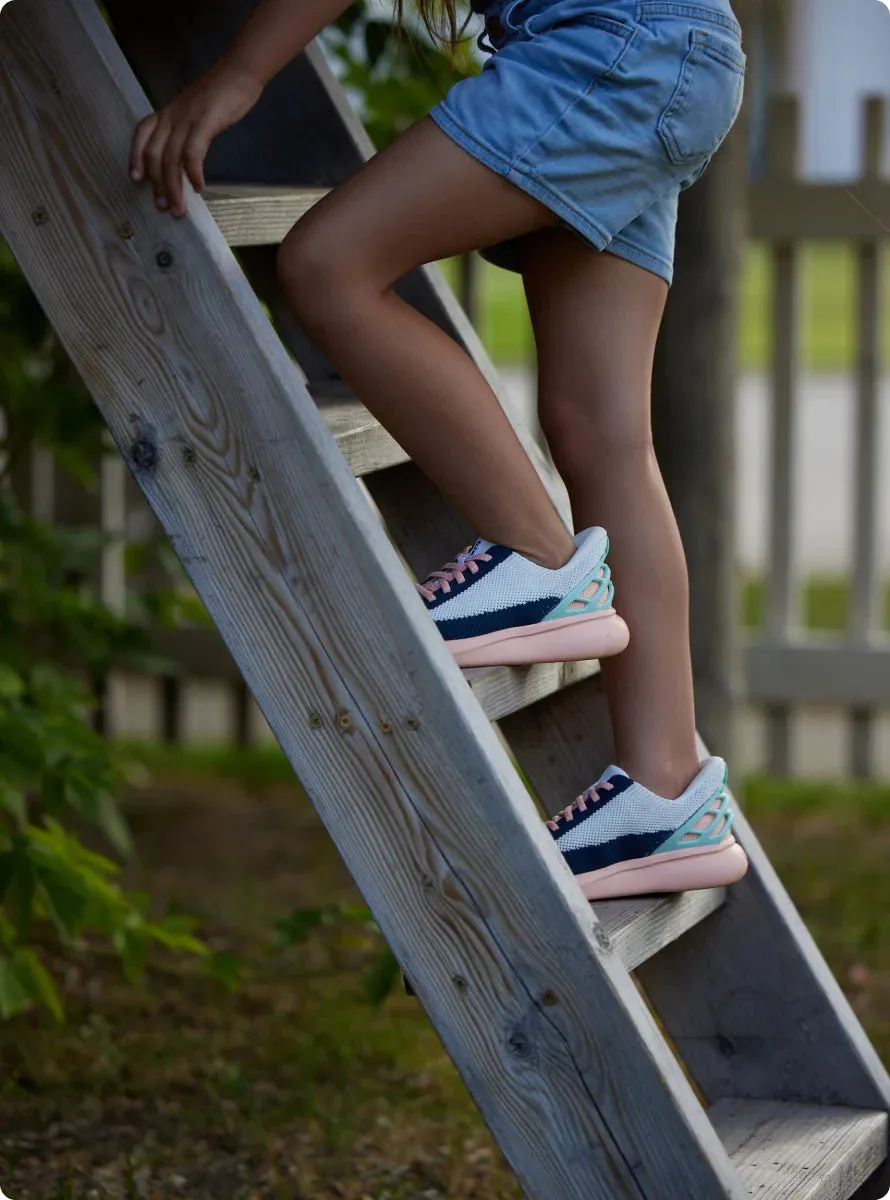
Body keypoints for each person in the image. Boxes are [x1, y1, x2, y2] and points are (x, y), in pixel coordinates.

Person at [130, 0, 749, 900]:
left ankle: (540, 564)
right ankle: (665, 797)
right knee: (600, 429)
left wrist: (240, 72)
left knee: (328, 263)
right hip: (677, 50)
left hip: (615, 43)